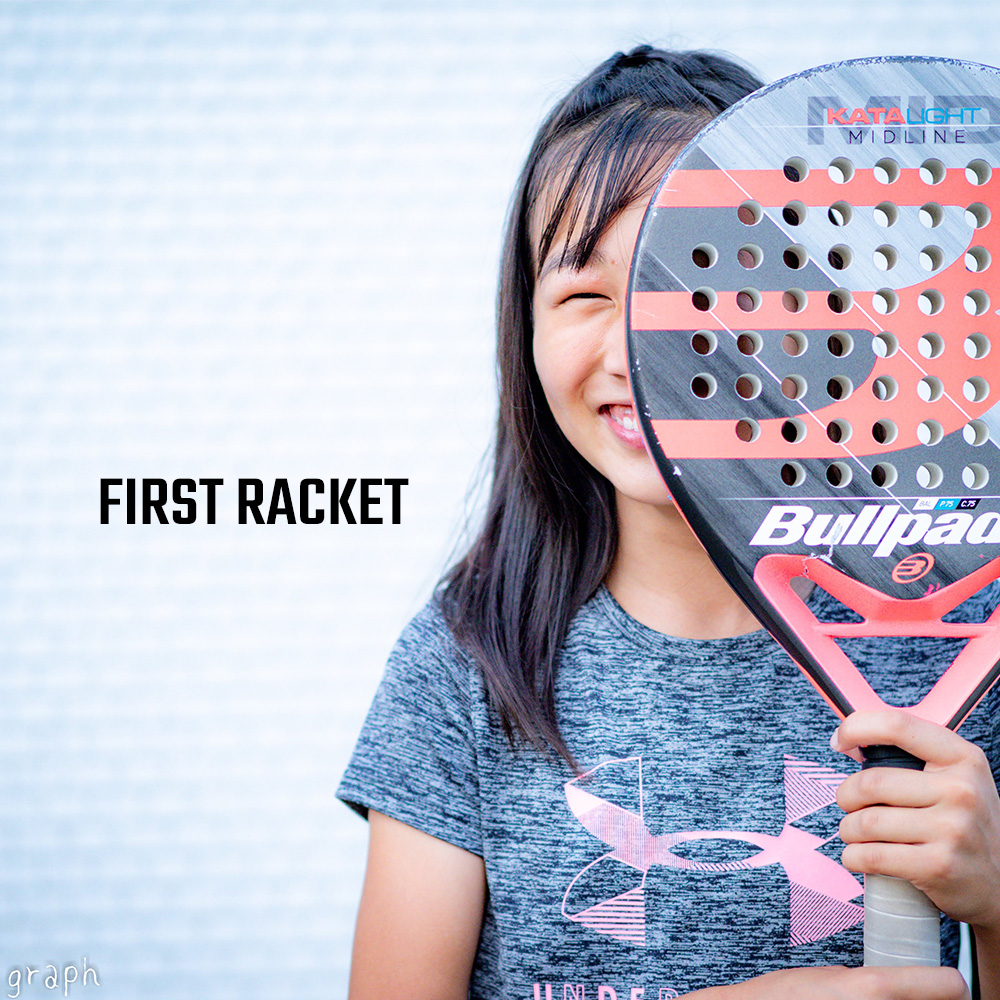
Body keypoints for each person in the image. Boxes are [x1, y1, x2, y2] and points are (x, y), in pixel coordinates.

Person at [338, 45, 1000, 1000]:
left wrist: (996, 899)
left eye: (701, 285)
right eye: (585, 295)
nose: (640, 348)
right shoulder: (466, 661)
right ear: (525, 332)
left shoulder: (947, 639)